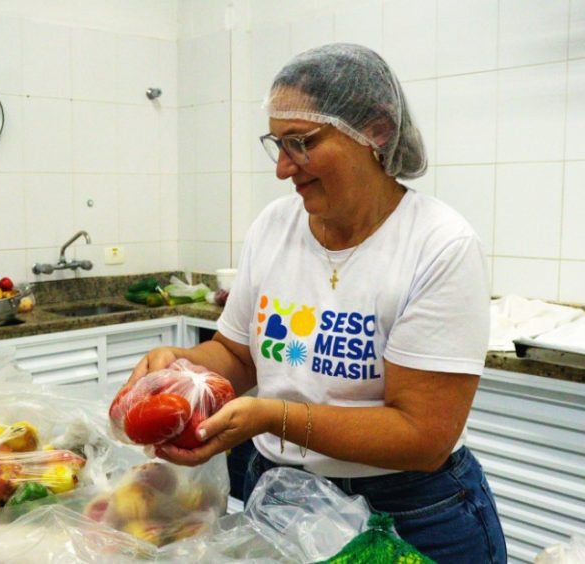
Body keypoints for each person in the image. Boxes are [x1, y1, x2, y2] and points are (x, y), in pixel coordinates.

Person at [123, 43, 506, 563]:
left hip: (410, 512)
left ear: (375, 131)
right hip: (283, 501)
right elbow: (237, 356)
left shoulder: (437, 244)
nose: (283, 168)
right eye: (277, 144)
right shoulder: (274, 227)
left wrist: (271, 417)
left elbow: (422, 435)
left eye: (301, 143)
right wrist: (181, 371)